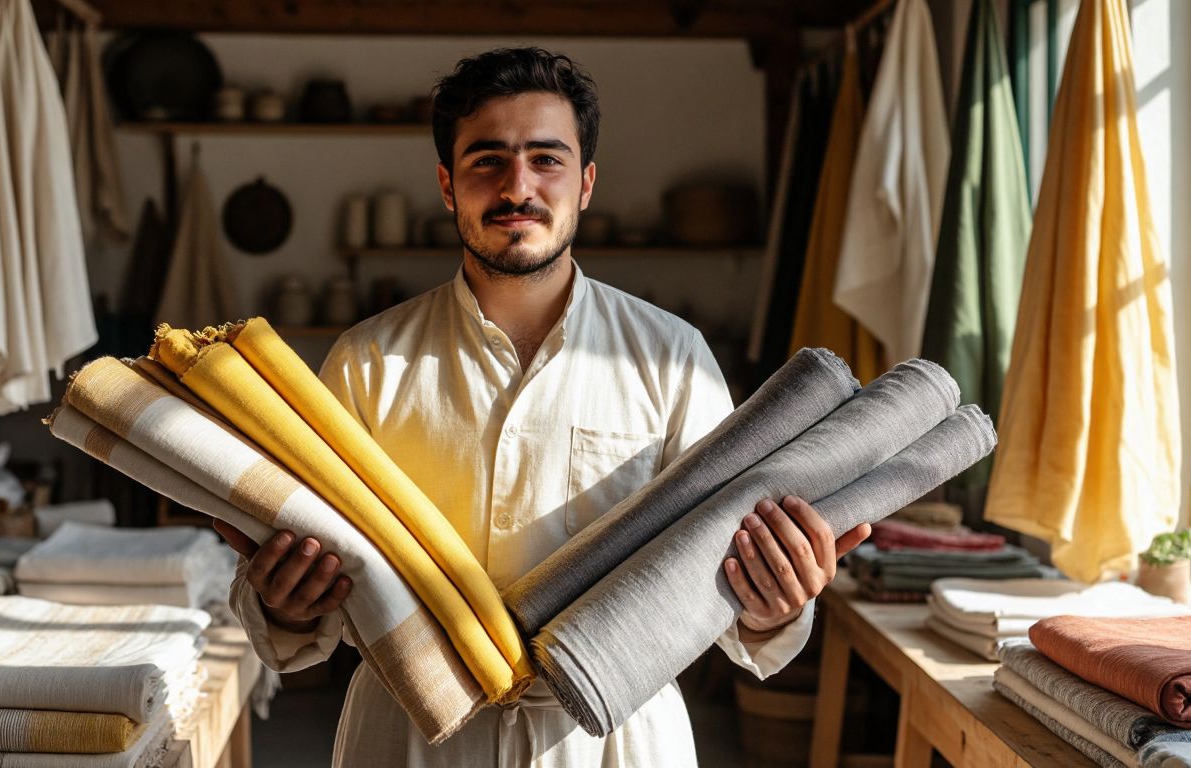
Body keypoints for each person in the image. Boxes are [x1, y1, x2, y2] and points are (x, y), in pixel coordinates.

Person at [215, 47, 872, 766]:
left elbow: (726, 593)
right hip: (408, 737)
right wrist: (283, 603)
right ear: (447, 185)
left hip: (616, 739)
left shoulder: (672, 359)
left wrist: (772, 604)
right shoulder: (366, 363)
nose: (517, 186)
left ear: (586, 183)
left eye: (547, 159)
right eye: (487, 160)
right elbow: (303, 598)